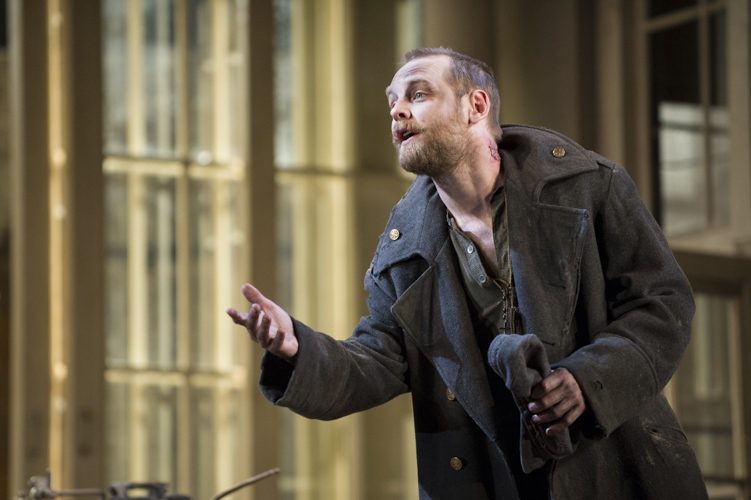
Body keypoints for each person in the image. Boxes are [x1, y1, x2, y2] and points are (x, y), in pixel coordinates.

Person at [227, 47, 707, 499]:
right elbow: (375, 361)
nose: (397, 111)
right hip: (487, 481)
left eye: (418, 94)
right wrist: (297, 348)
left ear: (475, 106)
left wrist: (589, 380)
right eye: (392, 101)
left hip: (616, 471)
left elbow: (662, 302)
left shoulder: (587, 188)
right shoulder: (401, 256)